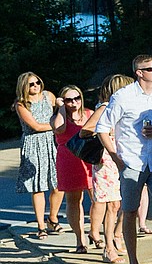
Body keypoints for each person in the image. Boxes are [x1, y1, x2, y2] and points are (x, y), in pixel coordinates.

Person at [95, 55, 152, 264]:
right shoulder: (123, 96)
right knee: (130, 211)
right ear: (139, 72)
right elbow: (102, 128)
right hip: (132, 160)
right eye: (151, 68)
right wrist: (116, 157)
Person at [82, 74, 133, 262]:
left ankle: (117, 236)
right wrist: (107, 132)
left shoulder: (123, 107)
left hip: (124, 156)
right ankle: (109, 246)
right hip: (107, 160)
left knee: (122, 202)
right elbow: (85, 130)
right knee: (111, 204)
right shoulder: (105, 107)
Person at [13, 72, 58, 238]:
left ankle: (52, 218)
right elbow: (35, 126)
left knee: (58, 183)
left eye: (37, 82)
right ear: (24, 86)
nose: (35, 86)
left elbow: (59, 113)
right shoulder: (21, 104)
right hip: (33, 144)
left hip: (52, 142)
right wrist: (56, 125)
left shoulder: (49, 96)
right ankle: (41, 226)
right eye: (31, 84)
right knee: (38, 187)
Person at [50, 85, 94, 253]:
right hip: (68, 160)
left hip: (89, 159)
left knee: (98, 199)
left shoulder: (89, 114)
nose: (74, 102)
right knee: (74, 200)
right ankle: (79, 238)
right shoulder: (57, 118)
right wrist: (61, 107)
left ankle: (94, 232)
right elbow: (60, 129)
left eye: (77, 98)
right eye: (69, 100)